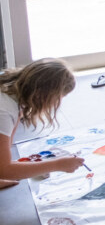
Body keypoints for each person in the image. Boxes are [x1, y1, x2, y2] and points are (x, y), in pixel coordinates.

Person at [0, 58, 85, 188]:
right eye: (57, 99)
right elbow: (4, 170)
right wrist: (57, 165)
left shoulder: (10, 86)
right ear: (42, 94)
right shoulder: (4, 111)